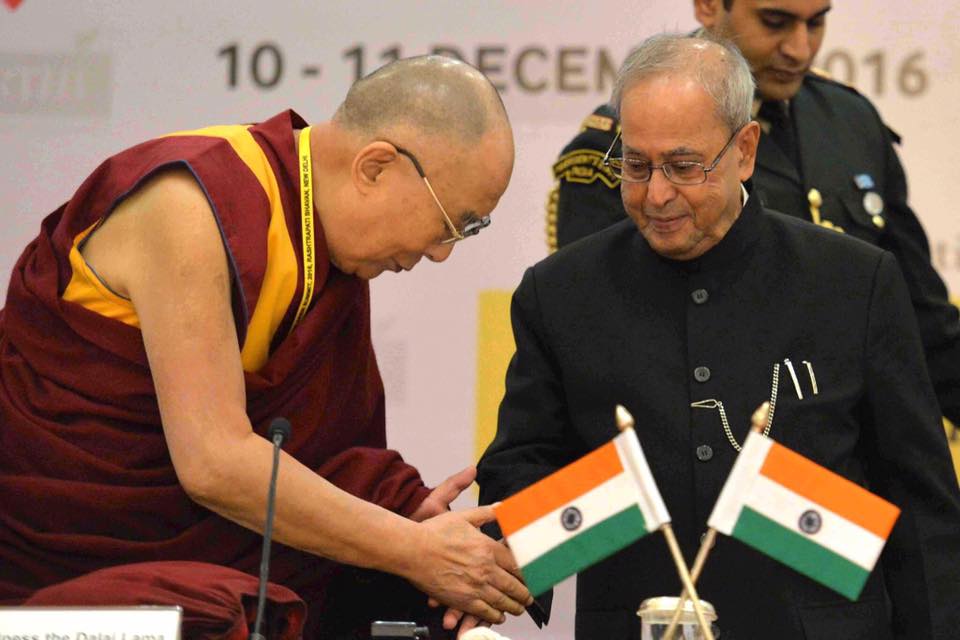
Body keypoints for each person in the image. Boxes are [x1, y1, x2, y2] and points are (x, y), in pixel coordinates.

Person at [0, 55, 531, 638]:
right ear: (376, 166)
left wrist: (396, 514)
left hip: (210, 551)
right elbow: (215, 463)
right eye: (453, 222)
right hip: (78, 556)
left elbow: (315, 449)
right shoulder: (189, 205)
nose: (442, 253)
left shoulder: (319, 246)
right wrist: (410, 547)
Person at [478, 34, 960, 639]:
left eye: (684, 167)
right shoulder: (560, 292)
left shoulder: (854, 283)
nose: (656, 193)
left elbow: (923, 509)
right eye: (635, 164)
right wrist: (597, 505)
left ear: (746, 150)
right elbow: (517, 469)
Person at [548, 0, 960, 438]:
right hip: (712, 445)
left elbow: (923, 320)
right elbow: (599, 346)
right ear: (708, 7)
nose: (800, 50)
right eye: (775, 22)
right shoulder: (630, 145)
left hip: (840, 463)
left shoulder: (849, 121)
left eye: (816, 23)